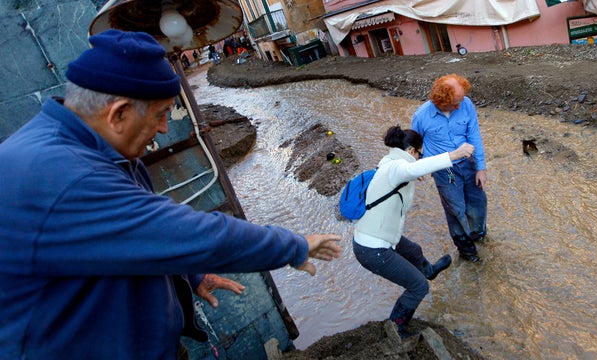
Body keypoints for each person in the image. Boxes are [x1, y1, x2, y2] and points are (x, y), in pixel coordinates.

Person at [0, 29, 341, 359]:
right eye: (161, 114)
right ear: (118, 113)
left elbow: (134, 239)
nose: (165, 128)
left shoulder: (92, 150)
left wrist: (190, 274)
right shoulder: (64, 176)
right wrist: (294, 246)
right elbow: (196, 235)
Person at [352, 125, 474, 338]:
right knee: (418, 287)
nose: (420, 158)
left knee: (414, 250)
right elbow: (409, 169)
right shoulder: (396, 168)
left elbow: (407, 172)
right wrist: (454, 154)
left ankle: (428, 270)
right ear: (410, 152)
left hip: (375, 237)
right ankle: (397, 327)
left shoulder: (388, 163)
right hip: (372, 249)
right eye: (420, 154)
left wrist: (412, 172)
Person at [411, 74, 488, 263]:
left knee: (478, 202)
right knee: (455, 210)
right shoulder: (421, 116)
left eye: (461, 101)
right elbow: (414, 146)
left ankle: (478, 235)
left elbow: (474, 135)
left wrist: (481, 167)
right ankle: (467, 251)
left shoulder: (466, 104)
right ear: (440, 101)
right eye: (455, 103)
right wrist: (416, 167)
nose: (459, 106)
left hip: (468, 164)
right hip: (445, 172)